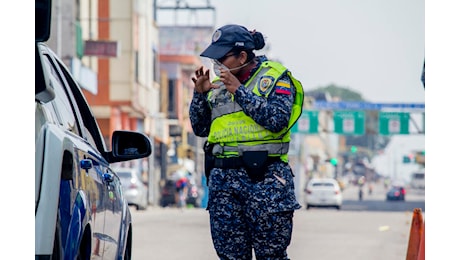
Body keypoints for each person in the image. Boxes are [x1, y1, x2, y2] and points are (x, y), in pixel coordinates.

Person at [189, 24, 304, 260]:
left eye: (222, 58)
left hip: (266, 182)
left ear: (242, 56)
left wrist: (239, 91)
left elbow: (278, 120)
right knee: (230, 256)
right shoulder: (217, 87)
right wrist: (199, 95)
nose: (217, 64)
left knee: (271, 255)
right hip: (224, 185)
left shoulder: (274, 78)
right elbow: (200, 128)